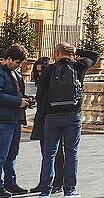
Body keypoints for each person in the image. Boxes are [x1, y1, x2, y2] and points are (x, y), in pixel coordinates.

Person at [37, 41, 100, 198]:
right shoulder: (79, 67)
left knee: (49, 153)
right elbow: (96, 56)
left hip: (52, 116)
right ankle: (70, 190)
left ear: (56, 54)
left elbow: (41, 96)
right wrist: (78, 50)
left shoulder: (48, 70)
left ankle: (46, 191)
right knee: (72, 152)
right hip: (73, 115)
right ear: (70, 53)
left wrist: (44, 116)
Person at [0, 44, 31, 197]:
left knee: (12, 153)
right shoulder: (0, 72)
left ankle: (10, 183)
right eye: (18, 62)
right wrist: (18, 102)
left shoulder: (16, 74)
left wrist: (25, 100)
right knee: (2, 154)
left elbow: (17, 93)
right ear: (9, 59)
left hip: (15, 119)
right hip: (3, 120)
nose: (20, 66)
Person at [28, 57, 62, 197]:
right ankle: (45, 183)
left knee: (57, 153)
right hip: (43, 120)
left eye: (42, 72)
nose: (40, 76)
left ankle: (58, 183)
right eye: (38, 73)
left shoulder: (56, 80)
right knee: (46, 154)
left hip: (53, 118)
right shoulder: (42, 81)